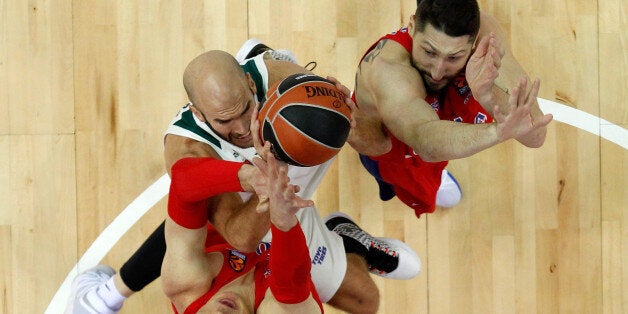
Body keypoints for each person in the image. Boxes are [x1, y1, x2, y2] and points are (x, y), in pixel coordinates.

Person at [66, 42, 421, 314]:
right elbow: (246, 239)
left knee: (185, 233)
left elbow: (193, 196)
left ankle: (257, 53)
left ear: (251, 84)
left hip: (249, 208)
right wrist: (279, 190)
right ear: (198, 114)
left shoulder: (188, 284)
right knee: (366, 301)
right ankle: (347, 240)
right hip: (272, 220)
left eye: (245, 110)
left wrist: (343, 114)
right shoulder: (187, 145)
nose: (239, 130)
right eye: (224, 121)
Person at [348, 0, 554, 219]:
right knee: (396, 179)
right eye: (429, 52)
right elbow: (425, 140)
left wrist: (487, 94)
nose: (437, 71)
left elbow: (535, 136)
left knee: (442, 152)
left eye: (454, 57)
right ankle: (403, 186)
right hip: (397, 148)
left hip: (441, 131)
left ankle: (436, 175)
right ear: (412, 25)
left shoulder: (486, 36)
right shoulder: (387, 71)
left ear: (474, 42)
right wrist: (497, 132)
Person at [163, 122, 323, 313]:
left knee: (186, 149)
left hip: (235, 222)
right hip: (295, 250)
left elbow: (182, 182)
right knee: (318, 128)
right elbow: (292, 285)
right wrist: (282, 218)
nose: (221, 312)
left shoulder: (185, 285)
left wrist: (248, 177)